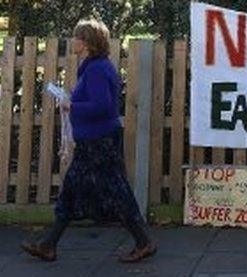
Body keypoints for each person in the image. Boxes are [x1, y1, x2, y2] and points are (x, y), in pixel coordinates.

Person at [21, 19, 156, 263]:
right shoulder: (93, 67)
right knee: (73, 191)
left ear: (87, 43)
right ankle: (49, 245)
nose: (72, 41)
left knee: (116, 191)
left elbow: (103, 107)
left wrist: (71, 104)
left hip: (100, 143)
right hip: (93, 143)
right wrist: (72, 101)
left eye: (76, 37)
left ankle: (143, 242)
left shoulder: (97, 69)